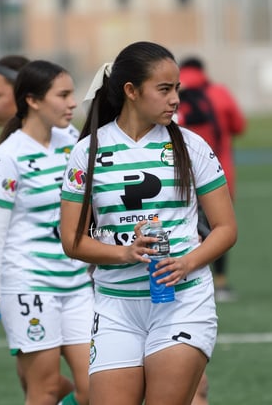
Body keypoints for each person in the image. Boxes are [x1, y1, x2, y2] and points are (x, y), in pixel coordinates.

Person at [60, 41, 237, 405]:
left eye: (177, 90)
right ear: (131, 91)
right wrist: (126, 254)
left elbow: (226, 229)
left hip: (182, 303)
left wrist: (187, 263)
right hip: (115, 308)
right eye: (164, 89)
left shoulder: (192, 146)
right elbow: (72, 241)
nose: (175, 99)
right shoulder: (88, 152)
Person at [0, 60, 93, 405]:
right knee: (45, 389)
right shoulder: (8, 157)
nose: (71, 103)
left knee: (95, 390)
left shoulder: (74, 141)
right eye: (63, 95)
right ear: (34, 101)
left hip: (79, 283)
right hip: (28, 285)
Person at [177, 56, 246, 302]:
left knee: (178, 223)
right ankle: (222, 282)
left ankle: (183, 277)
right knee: (219, 226)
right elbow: (239, 125)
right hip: (218, 171)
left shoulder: (168, 94)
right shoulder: (219, 93)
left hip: (175, 176)